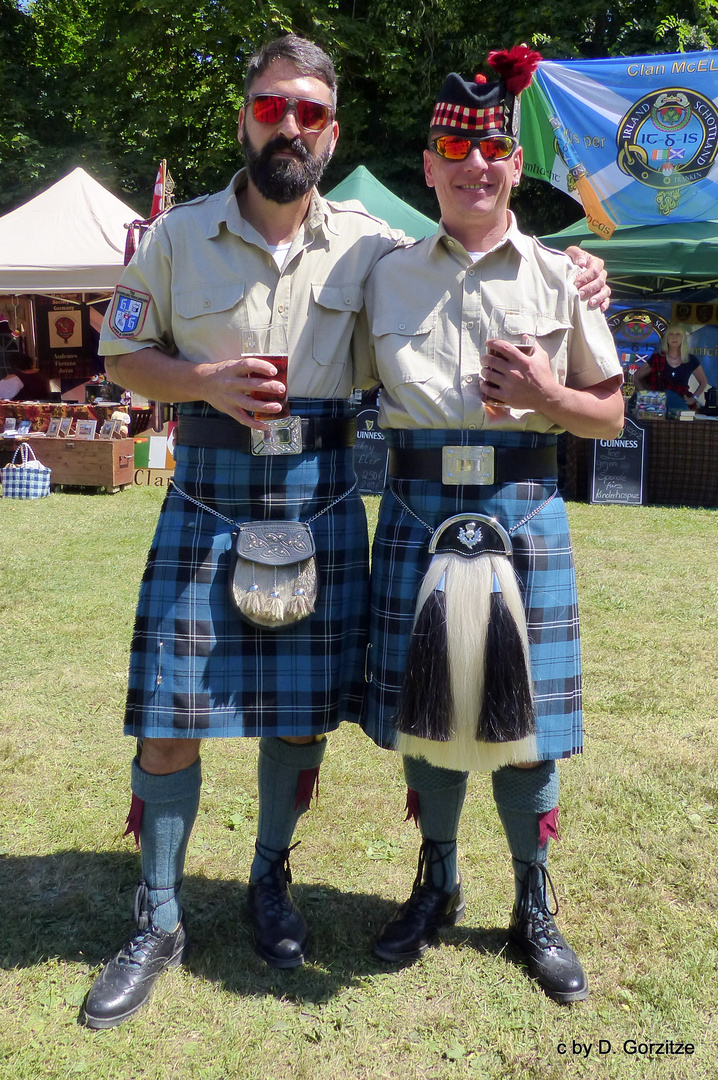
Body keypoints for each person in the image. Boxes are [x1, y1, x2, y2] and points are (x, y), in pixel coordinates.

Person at [82, 35, 610, 1029]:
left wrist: (575, 273)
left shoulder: (374, 247)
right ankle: (155, 921)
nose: (290, 125)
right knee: (165, 721)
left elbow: (470, 274)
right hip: (204, 493)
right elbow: (121, 355)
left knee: (297, 717)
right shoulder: (176, 236)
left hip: (321, 496)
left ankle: (269, 882)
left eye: (309, 113)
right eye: (273, 108)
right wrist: (199, 381)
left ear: (332, 131)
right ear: (245, 116)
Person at [356, 48, 624, 1004]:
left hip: (525, 513)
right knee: (431, 716)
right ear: (427, 165)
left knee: (533, 728)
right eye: (454, 149)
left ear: (516, 165)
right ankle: (436, 881)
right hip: (419, 513)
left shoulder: (562, 275)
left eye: (494, 151)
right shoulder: (378, 274)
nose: (476, 166)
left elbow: (612, 412)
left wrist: (548, 391)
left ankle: (533, 903)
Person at [634, 323, 708, 409]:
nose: (674, 337)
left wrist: (693, 398)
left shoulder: (691, 359)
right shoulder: (657, 358)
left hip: (680, 404)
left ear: (683, 338)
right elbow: (636, 376)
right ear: (667, 338)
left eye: (678, 334)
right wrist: (646, 396)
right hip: (658, 406)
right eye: (671, 334)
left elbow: (703, 382)